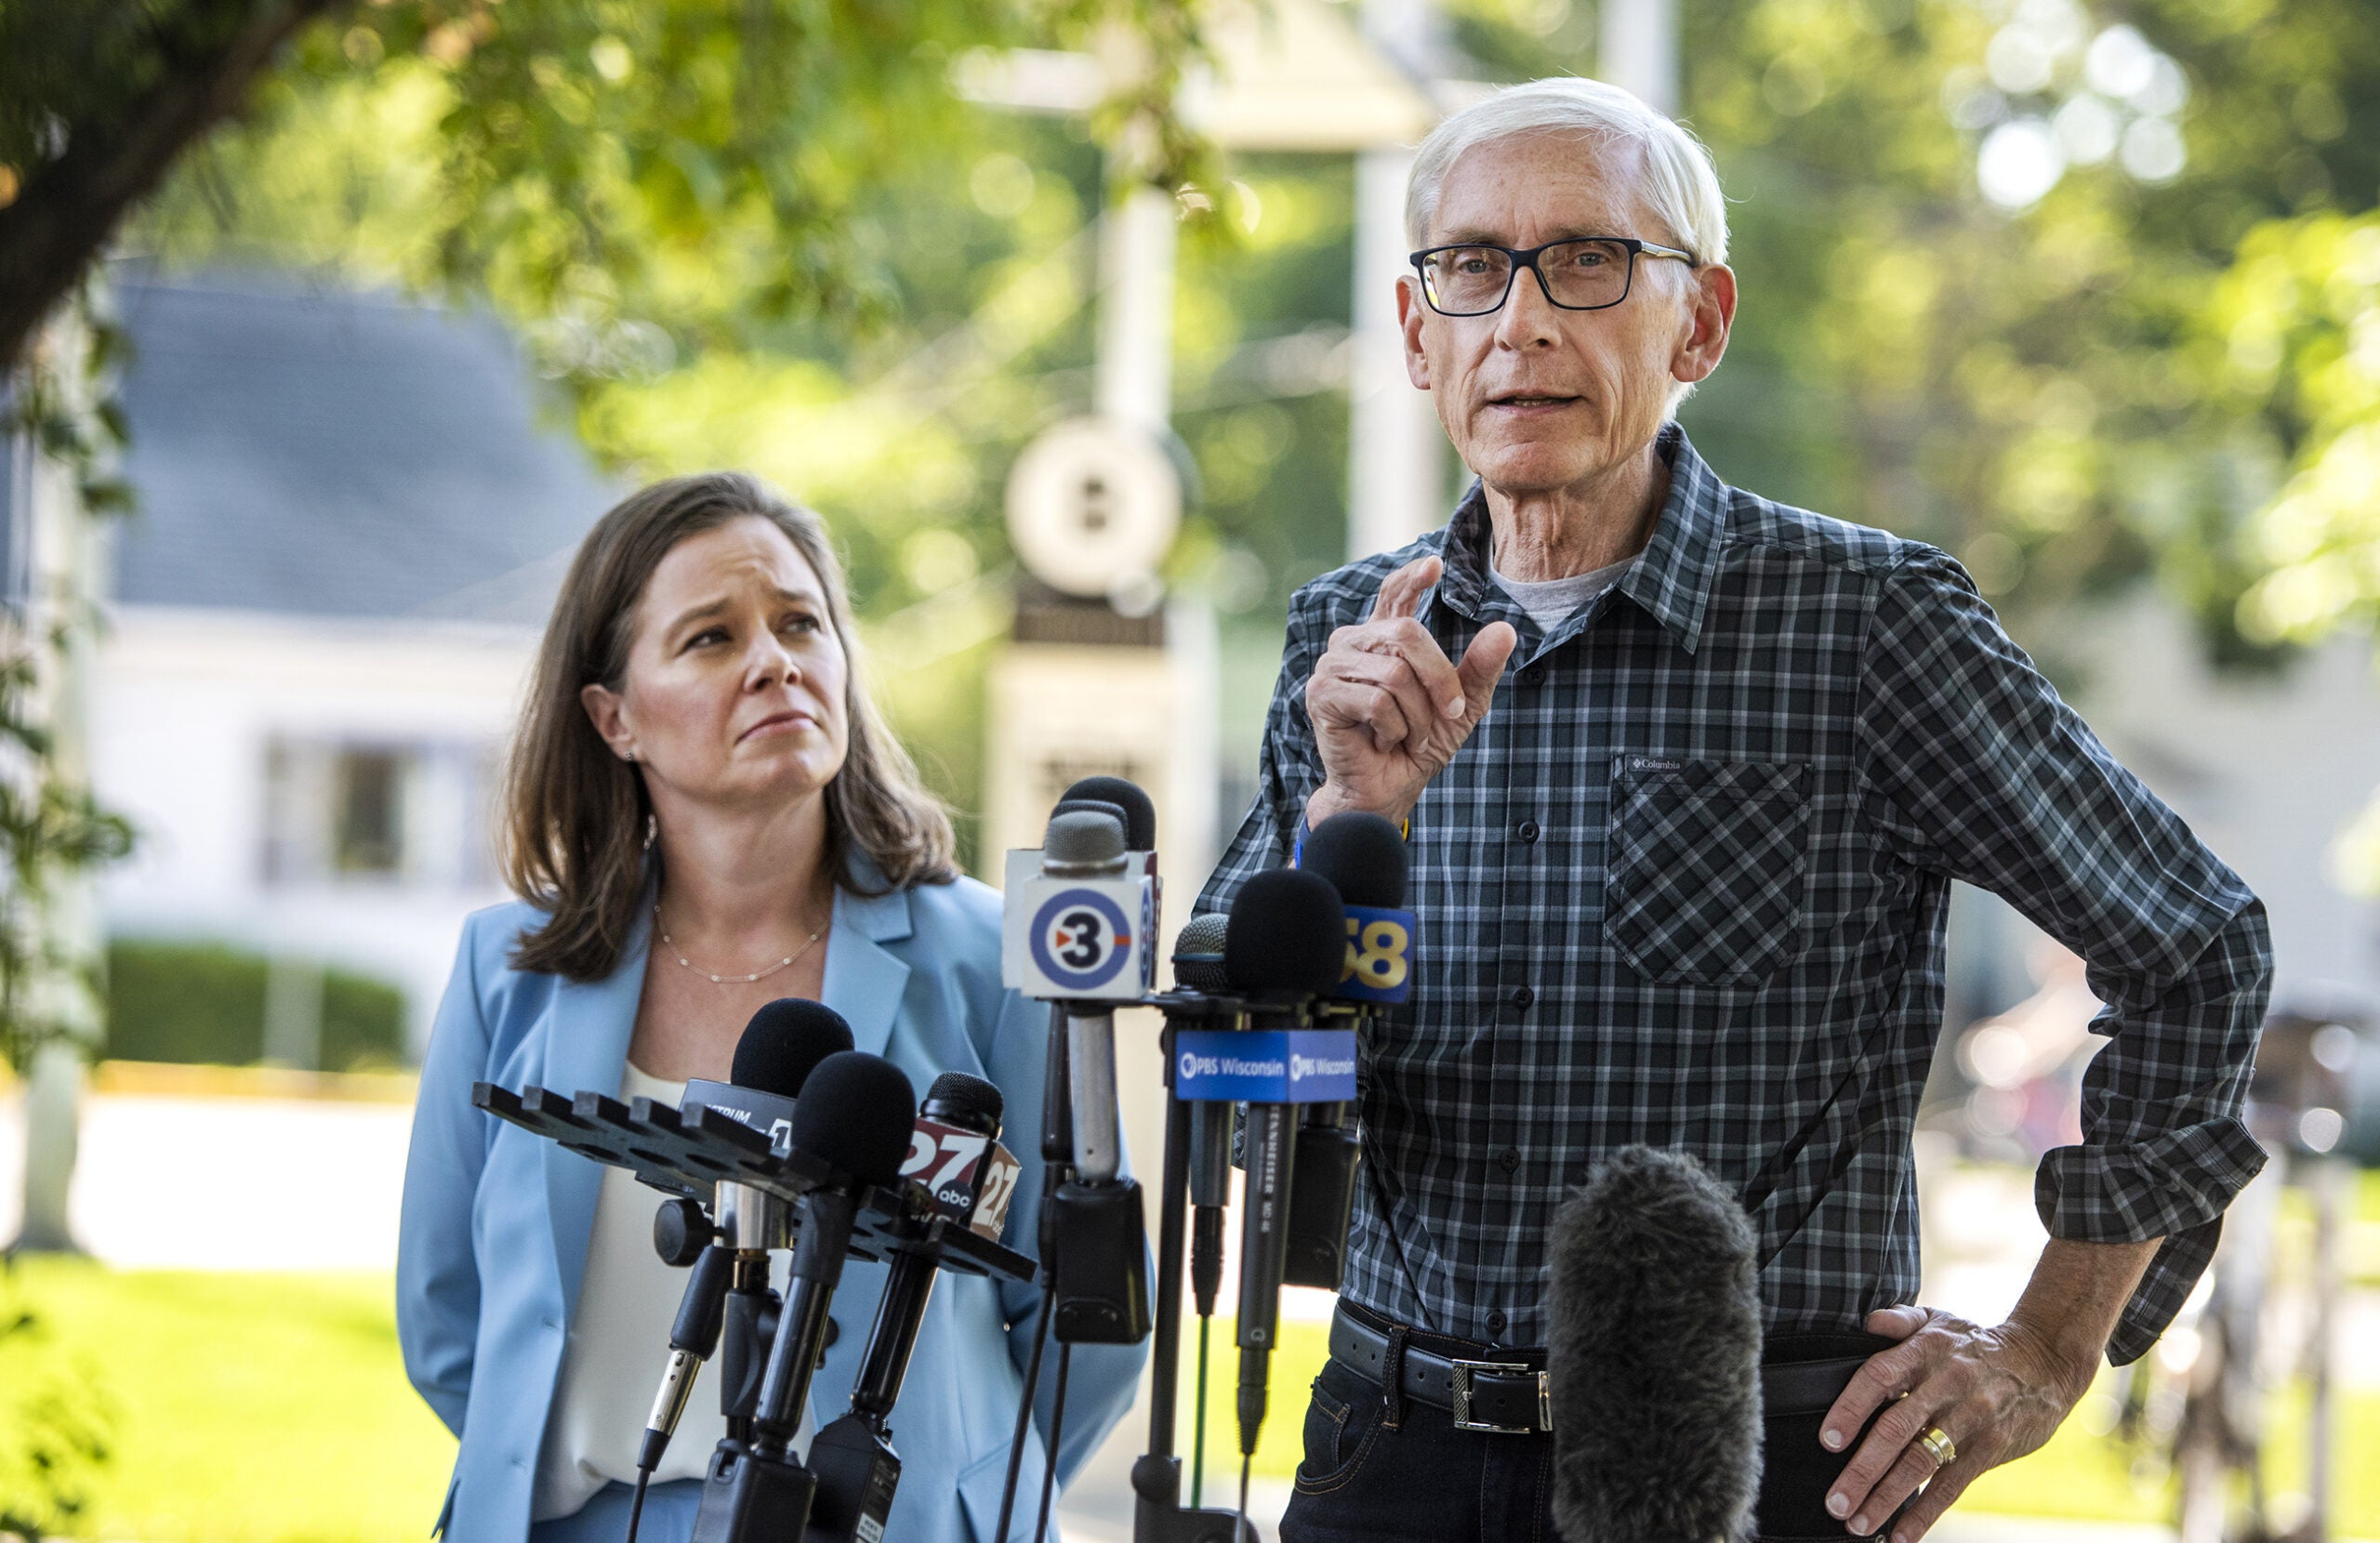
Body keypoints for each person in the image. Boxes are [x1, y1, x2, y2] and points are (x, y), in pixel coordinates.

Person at [1196, 77, 2269, 1543]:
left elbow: (2195, 946)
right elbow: (1239, 1068)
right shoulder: (1350, 646)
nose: (1521, 321)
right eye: (1471, 269)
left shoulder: (1868, 624)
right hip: (1390, 1454)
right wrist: (1349, 819)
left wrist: (2045, 1351)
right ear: (1414, 333)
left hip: (1757, 1469)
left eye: (1587, 262)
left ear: (1698, 322)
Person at [399, 472, 1144, 1542]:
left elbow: (1090, 1321)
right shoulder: (505, 967)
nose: (775, 661)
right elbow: (446, 1316)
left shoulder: (995, 959)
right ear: (614, 718)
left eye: (801, 622)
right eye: (710, 638)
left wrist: (955, 1494)